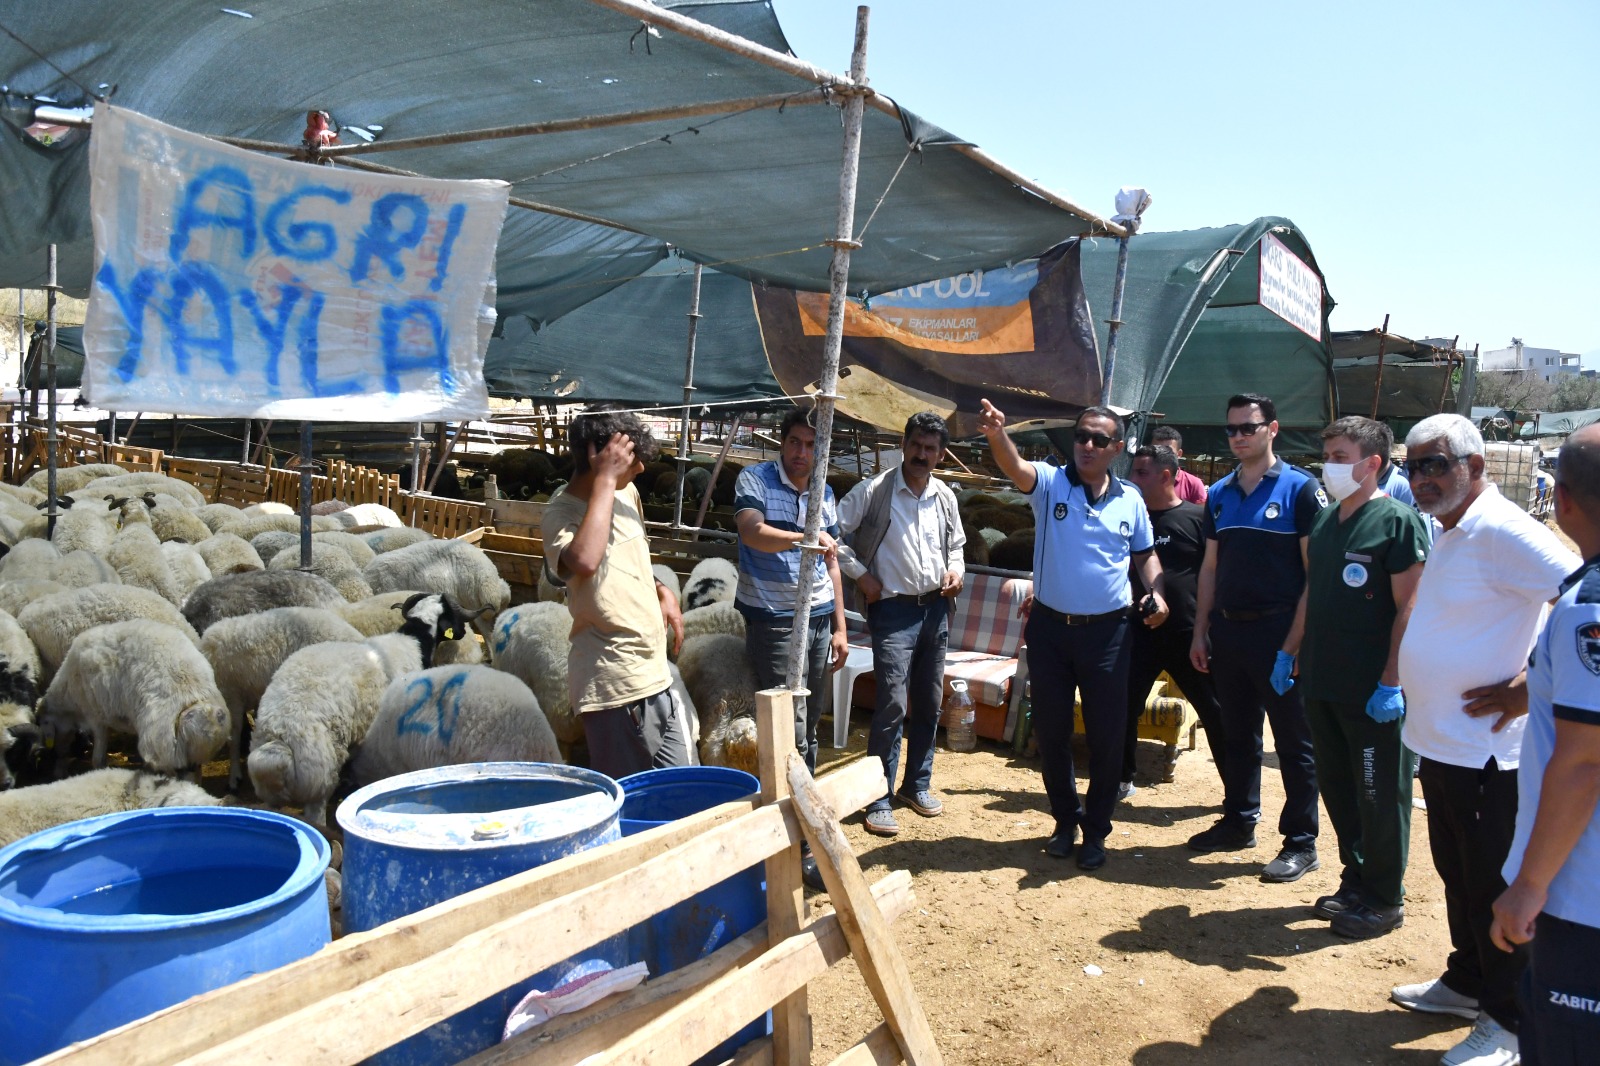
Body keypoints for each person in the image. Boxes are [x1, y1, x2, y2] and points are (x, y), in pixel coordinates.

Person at [1392, 414, 1576, 1066]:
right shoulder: (1450, 528)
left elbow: (1584, 596)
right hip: (1444, 743)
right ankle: (1467, 981)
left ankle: (1508, 1020)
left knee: (1490, 886)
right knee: (1455, 876)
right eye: (1413, 466)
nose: (1421, 478)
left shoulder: (1503, 530)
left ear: (1476, 467)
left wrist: (1530, 685)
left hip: (1490, 754)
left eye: (1436, 464)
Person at [978, 398, 1166, 872]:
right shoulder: (1051, 483)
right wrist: (999, 434)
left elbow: (1144, 554)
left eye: (1099, 439)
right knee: (1052, 732)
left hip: (1108, 635)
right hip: (1050, 632)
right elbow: (1017, 468)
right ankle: (1065, 821)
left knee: (1106, 736)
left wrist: (1158, 591)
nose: (1086, 444)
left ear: (1116, 448)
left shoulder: (1130, 500)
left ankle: (1096, 831)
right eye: (1081, 435)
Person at [1281, 416, 1428, 939]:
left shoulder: (1395, 521)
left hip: (1371, 692)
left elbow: (1410, 606)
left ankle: (1385, 898)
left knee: (1378, 792)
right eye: (1327, 454)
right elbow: (1311, 593)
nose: (1329, 465)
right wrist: (1288, 651)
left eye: (1340, 455)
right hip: (1322, 683)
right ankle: (1356, 877)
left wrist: (1391, 681)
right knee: (1340, 790)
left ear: (1372, 463)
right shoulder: (1326, 523)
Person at [1491, 424, 1600, 1066]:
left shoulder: (1589, 606)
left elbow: (1585, 762)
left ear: (1559, 501)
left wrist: (1530, 885)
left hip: (1582, 896)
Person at [1187, 393, 1325, 883]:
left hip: (1279, 631)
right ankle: (1238, 821)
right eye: (1232, 429)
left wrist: (1296, 643)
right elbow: (1209, 567)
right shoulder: (1219, 493)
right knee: (1236, 733)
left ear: (1273, 429)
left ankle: (1301, 842)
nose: (1239, 436)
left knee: (1293, 740)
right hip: (1229, 630)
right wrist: (1201, 629)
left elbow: (1316, 575)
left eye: (1248, 427)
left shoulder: (1301, 490)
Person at [835, 412, 966, 837]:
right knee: (892, 703)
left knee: (928, 702)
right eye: (916, 445)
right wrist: (861, 574)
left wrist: (956, 570)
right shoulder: (874, 491)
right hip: (893, 611)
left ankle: (916, 784)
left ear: (941, 454)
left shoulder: (945, 496)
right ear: (903, 444)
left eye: (931, 449)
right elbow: (830, 534)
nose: (922, 455)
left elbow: (958, 546)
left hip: (936, 611)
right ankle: (878, 797)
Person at [733, 407, 849, 887]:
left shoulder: (826, 492)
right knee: (789, 729)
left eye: (812, 445)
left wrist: (842, 625)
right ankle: (791, 843)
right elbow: (752, 532)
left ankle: (805, 829)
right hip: (775, 618)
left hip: (818, 614)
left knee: (811, 721)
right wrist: (804, 538)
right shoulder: (755, 480)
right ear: (782, 443)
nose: (803, 453)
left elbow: (832, 561)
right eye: (796, 442)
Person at [543, 404, 689, 779]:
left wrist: (660, 589)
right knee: (634, 804)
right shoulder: (561, 513)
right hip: (613, 685)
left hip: (655, 674)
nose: (640, 468)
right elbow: (585, 561)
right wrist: (605, 481)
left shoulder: (628, 494)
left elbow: (630, 557)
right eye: (630, 460)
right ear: (600, 457)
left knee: (680, 792)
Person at [1123, 444, 1227, 799]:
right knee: (1123, 704)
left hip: (1188, 636)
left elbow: (1217, 573)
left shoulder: (1198, 518)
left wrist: (1209, 627)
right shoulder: (1130, 518)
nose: (1132, 479)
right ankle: (1121, 778)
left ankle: (1239, 796)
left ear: (1165, 476)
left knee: (1216, 712)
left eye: (1141, 473)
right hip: (1137, 632)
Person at [1152, 426, 1208, 505]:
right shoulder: (1143, 480)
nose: (1161, 455)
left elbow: (1200, 515)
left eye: (1167, 450)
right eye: (1156, 449)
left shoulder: (1193, 484)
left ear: (1179, 454)